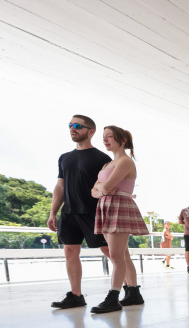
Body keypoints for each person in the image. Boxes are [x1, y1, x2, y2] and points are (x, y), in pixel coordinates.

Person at [49, 115, 113, 310]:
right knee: (70, 251)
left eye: (77, 126)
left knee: (110, 251)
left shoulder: (102, 158)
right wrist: (53, 213)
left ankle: (128, 289)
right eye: (70, 125)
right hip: (69, 213)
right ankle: (76, 295)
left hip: (93, 213)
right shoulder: (64, 158)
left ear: (91, 131)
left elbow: (108, 188)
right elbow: (60, 187)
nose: (72, 128)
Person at [89, 125, 149, 314]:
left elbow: (104, 188)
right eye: (104, 137)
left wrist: (102, 188)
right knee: (122, 254)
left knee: (115, 255)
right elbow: (94, 191)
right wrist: (102, 189)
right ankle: (133, 293)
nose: (105, 140)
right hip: (107, 206)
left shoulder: (125, 162)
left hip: (119, 207)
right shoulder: (107, 165)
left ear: (122, 140)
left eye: (110, 137)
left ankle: (113, 297)